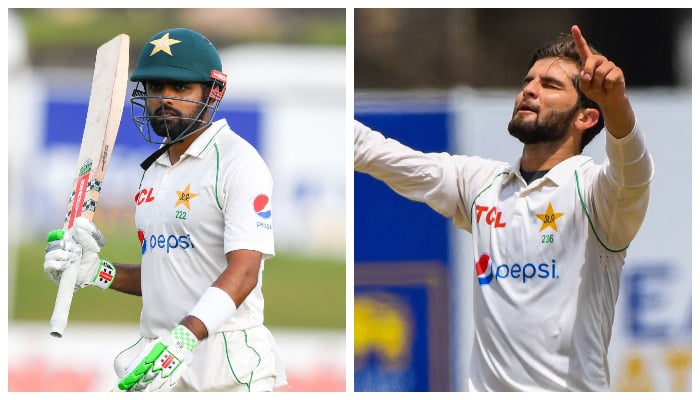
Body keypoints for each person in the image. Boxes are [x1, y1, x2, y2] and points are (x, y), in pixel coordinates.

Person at [354, 25, 653, 391]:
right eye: (529, 80)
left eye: (550, 85)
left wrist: (616, 105)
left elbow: (633, 174)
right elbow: (373, 151)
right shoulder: (480, 183)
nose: (529, 89)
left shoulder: (596, 194)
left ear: (586, 117)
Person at [43, 27, 286, 392]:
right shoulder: (154, 172)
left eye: (180, 88)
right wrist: (97, 271)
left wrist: (186, 336)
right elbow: (166, 274)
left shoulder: (238, 163)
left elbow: (246, 270)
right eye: (156, 88)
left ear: (212, 92)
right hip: (158, 360)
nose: (164, 99)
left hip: (228, 370)